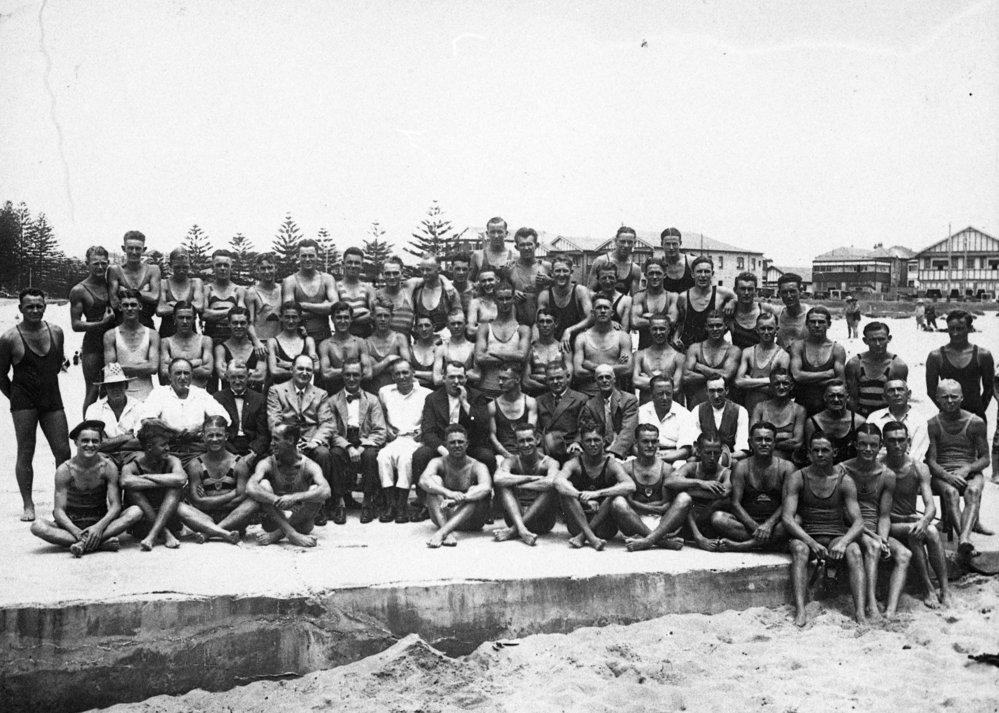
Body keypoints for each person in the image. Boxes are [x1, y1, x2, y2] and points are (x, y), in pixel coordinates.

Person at [0, 288, 72, 521]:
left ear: (45, 306)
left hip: (51, 396)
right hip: (24, 399)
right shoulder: (10, 338)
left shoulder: (56, 332)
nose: (34, 310)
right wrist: (17, 399)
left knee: (63, 450)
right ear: (20, 309)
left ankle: (61, 502)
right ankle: (28, 504)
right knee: (26, 451)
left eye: (39, 305)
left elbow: (57, 363)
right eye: (29, 306)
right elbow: (1, 375)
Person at [783, 432, 867, 626]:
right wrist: (810, 542)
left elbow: (858, 522)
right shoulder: (798, 477)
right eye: (816, 450)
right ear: (809, 454)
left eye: (825, 450)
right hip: (807, 534)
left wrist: (844, 543)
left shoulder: (844, 480)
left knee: (854, 550)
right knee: (799, 550)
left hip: (836, 534)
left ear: (834, 453)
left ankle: (860, 613)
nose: (820, 454)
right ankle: (801, 610)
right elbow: (787, 518)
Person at [30, 420, 142, 556]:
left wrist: (99, 527)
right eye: (85, 441)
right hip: (72, 522)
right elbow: (59, 511)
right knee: (37, 526)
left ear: (101, 444)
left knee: (135, 512)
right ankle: (99, 543)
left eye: (95, 441)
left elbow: (116, 506)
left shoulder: (108, 467)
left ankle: (84, 544)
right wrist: (76, 531)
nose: (90, 445)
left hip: (99, 520)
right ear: (76, 442)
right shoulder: (65, 470)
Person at [842, 424, 910, 620]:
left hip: (874, 528)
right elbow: (843, 512)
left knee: (904, 554)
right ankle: (871, 603)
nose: (868, 449)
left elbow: (884, 515)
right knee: (873, 546)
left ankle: (890, 609)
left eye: (873, 445)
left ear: (880, 446)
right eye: (863, 444)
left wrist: (884, 538)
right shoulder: (843, 470)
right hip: (851, 528)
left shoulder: (887, 475)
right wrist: (875, 538)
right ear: (855, 444)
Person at [412, 361, 496, 517]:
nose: (456, 382)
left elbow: (483, 427)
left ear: (465, 379)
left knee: (487, 457)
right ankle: (425, 504)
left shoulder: (476, 397)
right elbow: (428, 432)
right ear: (444, 378)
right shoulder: (432, 398)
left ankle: (484, 504)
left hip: (469, 446)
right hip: (443, 446)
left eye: (460, 377)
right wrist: (445, 452)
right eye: (451, 377)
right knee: (420, 455)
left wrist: (465, 403)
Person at [882, 421, 950, 608]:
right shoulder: (879, 468)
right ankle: (927, 588)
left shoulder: (919, 467)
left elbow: (930, 506)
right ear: (883, 443)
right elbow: (880, 513)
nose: (897, 445)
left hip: (910, 523)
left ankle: (944, 589)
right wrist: (912, 521)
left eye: (901, 440)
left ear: (908, 442)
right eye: (891, 440)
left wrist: (924, 520)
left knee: (929, 531)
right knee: (921, 530)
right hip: (889, 525)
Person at [926, 379, 991, 564]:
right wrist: (947, 476)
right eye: (944, 397)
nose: (950, 401)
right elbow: (931, 460)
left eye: (954, 396)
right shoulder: (932, 424)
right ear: (937, 399)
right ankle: (964, 538)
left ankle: (963, 539)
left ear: (962, 398)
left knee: (973, 490)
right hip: (943, 473)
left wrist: (967, 468)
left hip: (969, 470)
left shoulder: (975, 422)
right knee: (950, 492)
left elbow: (985, 458)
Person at [265, 354, 335, 522]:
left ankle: (318, 506)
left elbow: (327, 423)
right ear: (292, 370)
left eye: (308, 370)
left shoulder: (320, 394)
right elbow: (274, 421)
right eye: (300, 369)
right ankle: (276, 505)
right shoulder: (277, 390)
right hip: (285, 440)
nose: (304, 373)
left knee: (323, 453)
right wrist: (291, 443)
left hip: (311, 440)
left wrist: (314, 442)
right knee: (273, 455)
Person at [711, 422, 794, 551]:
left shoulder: (787, 467)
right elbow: (735, 504)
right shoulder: (741, 467)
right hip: (747, 523)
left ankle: (743, 546)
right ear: (751, 442)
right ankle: (770, 544)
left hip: (775, 524)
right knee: (718, 518)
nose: (763, 443)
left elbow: (787, 503)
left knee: (795, 520)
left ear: (774, 443)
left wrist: (768, 525)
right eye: (759, 439)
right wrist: (756, 528)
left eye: (768, 439)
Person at [247, 420, 331, 548]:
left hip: (301, 523)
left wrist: (294, 497)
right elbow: (250, 488)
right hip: (274, 521)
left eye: (276, 439)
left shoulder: (308, 465)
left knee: (316, 489)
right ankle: (291, 533)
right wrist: (277, 500)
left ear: (291, 440)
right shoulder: (267, 463)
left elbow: (326, 491)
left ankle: (278, 535)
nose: (271, 444)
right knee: (262, 485)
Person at [554, 425, 636, 550]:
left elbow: (630, 486)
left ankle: (584, 536)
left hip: (604, 527)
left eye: (597, 440)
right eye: (588, 440)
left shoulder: (611, 464)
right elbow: (558, 482)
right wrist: (581, 496)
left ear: (603, 442)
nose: (593, 444)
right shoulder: (574, 463)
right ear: (581, 443)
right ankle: (591, 538)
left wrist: (597, 494)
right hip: (578, 524)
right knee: (566, 490)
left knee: (615, 491)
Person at [138, 357, 231, 465]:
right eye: (178, 373)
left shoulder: (201, 394)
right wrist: (172, 431)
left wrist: (201, 430)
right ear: (169, 376)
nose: (182, 377)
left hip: (196, 448)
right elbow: (146, 420)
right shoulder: (159, 393)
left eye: (186, 373)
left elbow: (223, 418)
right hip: (168, 448)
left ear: (192, 376)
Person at [328, 359, 386, 524]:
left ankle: (368, 502)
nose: (351, 379)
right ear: (342, 376)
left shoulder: (372, 400)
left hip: (364, 441)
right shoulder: (332, 401)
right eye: (348, 375)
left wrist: (360, 448)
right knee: (335, 454)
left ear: (361, 376)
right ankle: (339, 502)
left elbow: (380, 431)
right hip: (343, 441)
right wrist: (348, 447)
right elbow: (331, 431)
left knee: (370, 455)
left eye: (355, 375)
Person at [182, 415, 256, 541]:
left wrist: (208, 501)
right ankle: (222, 532)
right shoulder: (196, 464)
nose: (214, 439)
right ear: (204, 437)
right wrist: (231, 495)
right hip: (205, 519)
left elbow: (241, 499)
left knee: (253, 502)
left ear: (226, 436)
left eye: (218, 435)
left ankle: (210, 533)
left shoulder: (239, 462)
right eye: (210, 435)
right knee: (179, 507)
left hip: (234, 518)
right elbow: (197, 501)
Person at [612, 424, 685, 551]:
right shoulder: (627, 468)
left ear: (658, 443)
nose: (650, 446)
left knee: (684, 498)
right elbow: (628, 502)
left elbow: (666, 504)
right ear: (636, 443)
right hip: (634, 523)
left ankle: (648, 541)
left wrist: (638, 504)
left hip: (662, 524)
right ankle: (661, 542)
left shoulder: (666, 468)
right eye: (645, 441)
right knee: (618, 502)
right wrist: (653, 507)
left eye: (654, 442)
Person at [418, 424, 493, 548]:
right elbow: (423, 481)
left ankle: (442, 533)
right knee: (433, 482)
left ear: (467, 444)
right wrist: (448, 492)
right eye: (452, 442)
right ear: (446, 445)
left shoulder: (477, 465)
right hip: (443, 515)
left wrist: (460, 499)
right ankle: (447, 532)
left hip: (471, 520)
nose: (457, 445)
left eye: (460, 442)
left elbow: (486, 487)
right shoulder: (438, 462)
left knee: (475, 490)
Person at [377, 360, 432, 523]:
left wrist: (423, 431)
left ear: (413, 373)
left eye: (405, 372)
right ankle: (390, 505)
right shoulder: (385, 392)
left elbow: (430, 419)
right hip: (395, 439)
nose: (402, 377)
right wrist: (386, 427)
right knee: (383, 457)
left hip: (415, 439)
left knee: (406, 459)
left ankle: (401, 506)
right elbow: (380, 413)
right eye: (397, 374)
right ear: (392, 376)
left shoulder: (426, 394)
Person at [120, 419, 187, 551]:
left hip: (170, 519)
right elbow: (125, 481)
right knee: (133, 490)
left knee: (175, 488)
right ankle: (164, 533)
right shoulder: (132, 466)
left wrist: (147, 477)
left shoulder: (172, 460)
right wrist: (163, 482)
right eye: (163, 445)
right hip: (142, 524)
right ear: (149, 447)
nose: (168, 448)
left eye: (168, 444)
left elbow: (181, 479)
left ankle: (154, 535)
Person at [661, 433, 733, 551]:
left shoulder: (726, 473)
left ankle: (700, 536)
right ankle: (698, 537)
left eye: (716, 453)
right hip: (688, 521)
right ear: (699, 451)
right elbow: (669, 481)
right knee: (682, 497)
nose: (712, 457)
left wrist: (688, 490)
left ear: (721, 452)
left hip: (709, 522)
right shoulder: (692, 467)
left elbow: (724, 493)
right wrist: (700, 483)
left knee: (722, 501)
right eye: (708, 453)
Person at [492, 424, 561, 546]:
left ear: (537, 440)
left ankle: (514, 531)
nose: (526, 445)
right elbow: (498, 479)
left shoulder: (549, 462)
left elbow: (551, 482)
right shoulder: (511, 461)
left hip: (542, 520)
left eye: (529, 439)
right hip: (515, 515)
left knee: (552, 487)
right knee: (503, 485)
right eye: (521, 441)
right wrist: (529, 478)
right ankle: (522, 529)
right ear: (516, 444)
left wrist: (517, 484)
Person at [69, 246, 116, 414]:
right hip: (93, 344)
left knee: (112, 389)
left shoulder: (112, 284)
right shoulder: (79, 290)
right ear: (86, 264)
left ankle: (109, 431)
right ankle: (86, 432)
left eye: (104, 263)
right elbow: (75, 324)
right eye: (96, 263)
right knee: (92, 390)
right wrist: (102, 323)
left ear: (108, 263)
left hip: (114, 342)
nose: (100, 267)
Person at [925, 309, 994, 421]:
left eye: (960, 329)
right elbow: (931, 391)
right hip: (947, 419)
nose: (955, 333)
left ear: (970, 329)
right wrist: (948, 410)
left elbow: (989, 389)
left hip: (975, 417)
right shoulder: (936, 357)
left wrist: (979, 412)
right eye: (951, 329)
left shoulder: (982, 355)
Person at [475, 281, 529, 398]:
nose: (505, 302)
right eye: (501, 299)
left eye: (508, 298)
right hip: (487, 389)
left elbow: (522, 356)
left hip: (513, 392)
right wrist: (511, 357)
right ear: (494, 300)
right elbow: (479, 357)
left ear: (513, 299)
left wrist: (493, 352)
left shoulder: (523, 329)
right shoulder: (485, 328)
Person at [789, 306, 846, 416]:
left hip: (829, 407)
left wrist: (806, 383)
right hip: (802, 406)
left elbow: (840, 381)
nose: (816, 325)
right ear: (806, 324)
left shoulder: (837, 349)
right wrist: (827, 374)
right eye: (812, 322)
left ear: (828, 324)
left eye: (821, 322)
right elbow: (796, 376)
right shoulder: (798, 346)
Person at [104, 289, 159, 402]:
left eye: (133, 305)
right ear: (120, 307)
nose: (129, 308)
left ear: (140, 306)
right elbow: (111, 370)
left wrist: (122, 366)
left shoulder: (152, 335)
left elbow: (153, 368)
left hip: (147, 394)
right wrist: (142, 365)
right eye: (125, 305)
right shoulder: (110, 335)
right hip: (121, 395)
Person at [212, 361, 269, 468]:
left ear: (249, 376)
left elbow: (263, 433)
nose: (237, 381)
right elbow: (217, 431)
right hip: (228, 446)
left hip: (252, 445)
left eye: (241, 377)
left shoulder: (259, 399)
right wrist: (233, 455)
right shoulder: (217, 398)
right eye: (233, 377)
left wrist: (253, 452)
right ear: (227, 377)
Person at [573, 295, 633, 397]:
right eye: (599, 307)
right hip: (587, 395)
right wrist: (613, 367)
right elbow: (578, 372)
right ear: (592, 313)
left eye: (606, 308)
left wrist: (591, 366)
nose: (603, 311)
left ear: (612, 313)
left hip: (613, 395)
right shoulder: (582, 338)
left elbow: (627, 369)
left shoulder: (623, 337)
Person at [84, 363, 142, 467]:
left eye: (119, 384)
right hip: (105, 456)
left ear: (126, 385)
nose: (116, 389)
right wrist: (125, 437)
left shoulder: (139, 406)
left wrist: (108, 442)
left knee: (142, 460)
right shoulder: (94, 409)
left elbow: (141, 443)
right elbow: (95, 444)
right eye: (111, 385)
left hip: (133, 454)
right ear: (105, 388)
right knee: (96, 463)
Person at [844, 322, 908, 416]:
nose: (878, 344)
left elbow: (900, 399)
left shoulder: (898, 366)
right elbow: (853, 399)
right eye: (873, 340)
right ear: (865, 340)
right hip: (861, 415)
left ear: (889, 339)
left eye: (881, 339)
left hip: (886, 417)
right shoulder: (855, 364)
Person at [282, 239, 339, 342]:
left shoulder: (327, 279)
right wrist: (323, 309)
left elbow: (335, 307)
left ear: (317, 256)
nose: (307, 259)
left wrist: (303, 305)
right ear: (298, 257)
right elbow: (289, 312)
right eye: (304, 256)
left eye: (311, 255)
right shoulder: (290, 281)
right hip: (298, 337)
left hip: (324, 336)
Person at [579, 364, 639, 461]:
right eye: (600, 378)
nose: (604, 380)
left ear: (614, 379)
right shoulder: (590, 405)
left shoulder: (628, 400)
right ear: (596, 382)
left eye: (608, 377)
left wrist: (614, 452)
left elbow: (628, 430)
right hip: (601, 450)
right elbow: (591, 431)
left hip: (624, 450)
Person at [675, 256, 736, 351]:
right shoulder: (683, 297)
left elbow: (739, 298)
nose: (703, 275)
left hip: (713, 350)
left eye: (707, 272)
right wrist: (676, 337)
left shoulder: (722, 293)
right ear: (692, 274)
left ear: (712, 274)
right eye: (699, 271)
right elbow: (680, 322)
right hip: (689, 349)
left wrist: (732, 302)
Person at [734, 312, 789, 416]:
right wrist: (770, 381)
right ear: (757, 330)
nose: (766, 332)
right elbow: (738, 382)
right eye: (763, 328)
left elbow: (780, 390)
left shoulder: (783, 356)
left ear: (776, 330)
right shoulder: (748, 352)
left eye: (770, 328)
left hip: (772, 411)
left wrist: (749, 382)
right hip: (750, 408)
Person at [681, 310, 740, 408]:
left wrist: (701, 368)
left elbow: (726, 375)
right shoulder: (695, 348)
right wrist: (717, 375)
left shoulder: (733, 350)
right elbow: (686, 377)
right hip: (697, 404)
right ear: (706, 327)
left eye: (718, 325)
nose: (715, 329)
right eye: (711, 326)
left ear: (725, 326)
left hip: (724, 406)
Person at [535, 360, 589, 463]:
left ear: (567, 377)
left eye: (559, 377)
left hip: (569, 444)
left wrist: (577, 442)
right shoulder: (539, 400)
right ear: (546, 380)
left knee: (577, 457)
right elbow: (537, 429)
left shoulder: (580, 399)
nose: (555, 382)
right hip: (547, 445)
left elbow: (583, 426)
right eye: (551, 379)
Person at [637, 376, 697, 465]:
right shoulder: (641, 412)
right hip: (645, 456)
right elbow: (633, 446)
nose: (665, 398)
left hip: (673, 457)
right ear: (652, 394)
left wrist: (660, 458)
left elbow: (685, 450)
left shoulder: (684, 414)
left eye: (668, 394)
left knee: (680, 464)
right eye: (660, 394)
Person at [751, 368, 807, 464]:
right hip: (760, 461)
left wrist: (768, 442)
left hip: (788, 462)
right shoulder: (760, 408)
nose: (781, 387)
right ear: (770, 386)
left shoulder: (799, 410)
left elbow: (797, 442)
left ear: (791, 386)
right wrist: (785, 438)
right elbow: (753, 438)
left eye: (785, 383)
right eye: (777, 384)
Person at [866, 379, 929, 462]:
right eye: (891, 391)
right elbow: (869, 448)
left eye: (900, 389)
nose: (896, 393)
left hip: (909, 469)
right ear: (884, 397)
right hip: (879, 468)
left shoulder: (919, 420)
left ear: (909, 394)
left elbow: (917, 454)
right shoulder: (874, 418)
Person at [536, 255, 591, 351]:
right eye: (557, 271)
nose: (561, 274)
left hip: (577, 344)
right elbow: (538, 321)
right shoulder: (545, 295)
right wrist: (535, 342)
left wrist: (569, 330)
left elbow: (591, 317)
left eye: (565, 271)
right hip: (553, 346)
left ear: (571, 273)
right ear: (552, 273)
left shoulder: (580, 291)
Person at [804, 381, 866, 464]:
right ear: (825, 398)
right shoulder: (812, 423)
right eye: (832, 396)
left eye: (840, 396)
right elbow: (810, 454)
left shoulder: (859, 422)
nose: (836, 399)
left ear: (847, 398)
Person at [108, 230, 160, 328]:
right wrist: (143, 294)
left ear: (144, 249)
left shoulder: (153, 269)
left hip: (146, 324)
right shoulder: (115, 270)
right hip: (121, 325)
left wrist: (127, 292)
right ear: (124, 248)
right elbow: (114, 303)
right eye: (130, 248)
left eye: (138, 248)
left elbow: (154, 297)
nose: (134, 252)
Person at [488, 362, 539, 464]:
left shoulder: (530, 402)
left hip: (527, 450)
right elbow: (492, 436)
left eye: (505, 379)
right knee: (499, 463)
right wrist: (507, 455)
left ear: (517, 379)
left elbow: (530, 432)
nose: (500, 382)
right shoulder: (492, 405)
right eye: (499, 378)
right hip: (503, 453)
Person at [318, 301, 372, 394]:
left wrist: (336, 372)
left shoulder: (360, 342)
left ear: (351, 319)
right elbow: (325, 374)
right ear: (332, 319)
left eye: (346, 317)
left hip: (357, 394)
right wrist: (355, 371)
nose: (343, 321)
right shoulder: (325, 344)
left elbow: (368, 373)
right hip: (333, 394)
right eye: (339, 317)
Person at [159, 301, 213, 389]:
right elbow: (164, 372)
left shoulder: (204, 340)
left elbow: (208, 370)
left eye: (188, 318)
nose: (184, 321)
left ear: (194, 319)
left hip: (198, 394)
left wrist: (174, 366)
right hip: (174, 395)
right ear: (174, 319)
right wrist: (198, 362)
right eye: (181, 317)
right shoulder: (166, 342)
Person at [632, 314, 685, 405]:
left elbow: (675, 388)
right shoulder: (639, 355)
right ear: (649, 330)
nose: (658, 332)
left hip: (670, 410)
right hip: (646, 410)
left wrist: (646, 380)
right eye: (654, 329)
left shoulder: (679, 357)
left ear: (668, 330)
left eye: (662, 329)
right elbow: (635, 381)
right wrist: (667, 382)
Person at [201, 250, 245, 356]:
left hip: (233, 339)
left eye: (226, 265)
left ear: (231, 267)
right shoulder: (207, 289)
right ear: (213, 268)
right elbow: (204, 314)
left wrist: (215, 313)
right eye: (218, 265)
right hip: (211, 338)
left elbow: (241, 315)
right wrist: (231, 311)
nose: (222, 268)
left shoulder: (239, 290)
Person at [215, 307, 267, 392]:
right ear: (229, 324)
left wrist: (232, 373)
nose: (239, 326)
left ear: (248, 324)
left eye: (242, 323)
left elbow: (261, 376)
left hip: (254, 399)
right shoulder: (220, 349)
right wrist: (251, 371)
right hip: (229, 399)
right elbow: (222, 374)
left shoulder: (258, 349)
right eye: (235, 323)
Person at [267, 301, 319, 386]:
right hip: (280, 391)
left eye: (294, 317)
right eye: (287, 317)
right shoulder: (272, 342)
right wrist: (303, 370)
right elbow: (274, 371)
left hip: (303, 391)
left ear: (300, 318)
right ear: (281, 318)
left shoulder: (308, 341)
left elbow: (316, 368)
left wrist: (287, 365)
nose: (291, 321)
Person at [365, 299, 412, 393]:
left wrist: (376, 366)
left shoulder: (399, 338)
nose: (382, 319)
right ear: (372, 316)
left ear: (392, 317)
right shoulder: (366, 342)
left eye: (386, 316)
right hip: (374, 393)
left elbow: (407, 366)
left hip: (397, 393)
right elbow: (368, 373)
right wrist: (389, 360)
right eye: (379, 315)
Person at [156, 247, 204, 339]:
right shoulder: (164, 283)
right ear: (170, 266)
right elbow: (160, 310)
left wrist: (175, 305)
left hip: (190, 336)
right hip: (167, 334)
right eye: (177, 267)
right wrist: (188, 307)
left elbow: (199, 306)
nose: (181, 271)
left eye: (185, 267)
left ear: (189, 265)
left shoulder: (196, 283)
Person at [508, 227, 551, 326]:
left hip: (543, 324)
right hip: (518, 323)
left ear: (536, 245)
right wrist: (512, 293)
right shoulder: (510, 268)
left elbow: (563, 289)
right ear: (516, 247)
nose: (526, 248)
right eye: (522, 245)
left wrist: (551, 281)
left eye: (529, 244)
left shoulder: (546, 267)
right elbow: (500, 291)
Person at [632, 258, 678, 350]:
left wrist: (648, 316)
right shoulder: (639, 297)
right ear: (645, 275)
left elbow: (672, 320)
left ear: (664, 275)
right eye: (651, 273)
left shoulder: (673, 296)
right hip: (644, 351)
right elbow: (635, 322)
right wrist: (663, 319)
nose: (654, 276)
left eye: (658, 273)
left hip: (667, 352)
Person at [522, 308, 570, 396]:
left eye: (548, 321)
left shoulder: (563, 348)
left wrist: (537, 377)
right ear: (536, 324)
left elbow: (569, 379)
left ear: (556, 324)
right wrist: (552, 385)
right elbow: (525, 381)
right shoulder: (531, 348)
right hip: (536, 397)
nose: (544, 325)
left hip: (559, 398)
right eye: (541, 321)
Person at [412, 254, 463, 335]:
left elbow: (459, 319)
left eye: (428, 270)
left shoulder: (449, 291)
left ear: (439, 269)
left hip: (445, 340)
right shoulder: (416, 291)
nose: (424, 273)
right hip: (422, 340)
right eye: (422, 269)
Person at [586, 226, 642, 295]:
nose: (626, 245)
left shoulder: (635, 269)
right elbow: (589, 291)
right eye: (622, 241)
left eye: (630, 242)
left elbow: (635, 298)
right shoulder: (601, 261)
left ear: (634, 243)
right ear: (616, 241)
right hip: (600, 304)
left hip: (621, 304)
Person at [726, 272, 775, 350]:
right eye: (742, 289)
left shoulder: (765, 309)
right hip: (739, 359)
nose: (746, 293)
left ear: (756, 291)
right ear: (735, 290)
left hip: (762, 359)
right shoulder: (730, 312)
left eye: (750, 289)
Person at [244, 252, 283, 345]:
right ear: (257, 270)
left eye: (270, 267)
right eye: (263, 268)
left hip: (280, 342)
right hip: (261, 342)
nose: (267, 272)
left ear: (275, 268)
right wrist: (256, 342)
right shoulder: (252, 293)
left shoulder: (283, 290)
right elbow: (249, 322)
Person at [432, 310, 477, 387]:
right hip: (447, 393)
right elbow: (436, 379)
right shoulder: (441, 349)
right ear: (447, 326)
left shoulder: (473, 347)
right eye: (453, 324)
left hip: (469, 392)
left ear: (466, 324)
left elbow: (477, 375)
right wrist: (464, 375)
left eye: (459, 323)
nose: (456, 326)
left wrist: (450, 375)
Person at [338, 246, 375, 338]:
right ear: (343, 264)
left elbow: (374, 314)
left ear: (362, 265)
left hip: (365, 337)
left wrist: (347, 319)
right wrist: (363, 313)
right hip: (343, 338)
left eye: (357, 263)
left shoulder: (368, 289)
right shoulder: (336, 287)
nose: (353, 266)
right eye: (350, 262)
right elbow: (336, 314)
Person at [375, 257, 416, 335]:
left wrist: (444, 280)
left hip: (405, 346)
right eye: (388, 273)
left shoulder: (409, 294)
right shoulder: (375, 295)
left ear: (402, 273)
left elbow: (431, 278)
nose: (392, 277)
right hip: (380, 346)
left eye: (395, 273)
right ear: (382, 275)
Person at [592, 262, 632, 332]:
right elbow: (588, 325)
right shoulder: (592, 297)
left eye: (611, 278)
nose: (608, 281)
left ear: (616, 279)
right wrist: (609, 323)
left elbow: (624, 331)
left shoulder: (626, 300)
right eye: (604, 278)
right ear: (598, 280)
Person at [774, 272, 809, 349]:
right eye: (784, 292)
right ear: (779, 293)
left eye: (792, 291)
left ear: (800, 291)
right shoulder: (777, 316)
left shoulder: (811, 315)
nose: (789, 296)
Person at [409, 315, 440, 390]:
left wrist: (415, 373)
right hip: (415, 392)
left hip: (437, 392)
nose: (424, 329)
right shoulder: (410, 350)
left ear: (434, 327)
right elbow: (407, 376)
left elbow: (440, 376)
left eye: (427, 325)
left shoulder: (440, 349)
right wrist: (431, 376)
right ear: (416, 329)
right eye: (420, 326)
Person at [466, 267, 499, 337]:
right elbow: (470, 330)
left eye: (490, 280)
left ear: (497, 280)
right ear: (480, 283)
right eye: (483, 281)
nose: (487, 283)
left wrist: (482, 327)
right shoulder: (475, 303)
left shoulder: (505, 300)